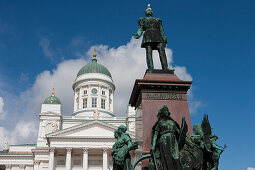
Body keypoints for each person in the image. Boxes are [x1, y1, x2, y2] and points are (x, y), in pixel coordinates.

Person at [133, 4, 169, 70]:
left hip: (158, 36)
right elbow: (140, 29)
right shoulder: (143, 20)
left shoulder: (158, 20)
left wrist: (164, 37)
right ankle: (151, 68)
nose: (150, 11)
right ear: (146, 12)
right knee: (149, 53)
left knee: (162, 51)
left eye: (151, 10)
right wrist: (137, 34)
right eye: (148, 10)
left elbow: (161, 30)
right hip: (148, 36)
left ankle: (165, 68)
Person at [150, 105, 182, 170]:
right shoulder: (160, 123)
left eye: (167, 111)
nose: (167, 112)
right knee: (167, 159)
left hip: (173, 140)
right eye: (165, 111)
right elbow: (156, 134)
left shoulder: (172, 122)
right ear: (162, 113)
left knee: (176, 157)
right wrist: (153, 145)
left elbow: (179, 133)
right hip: (164, 140)